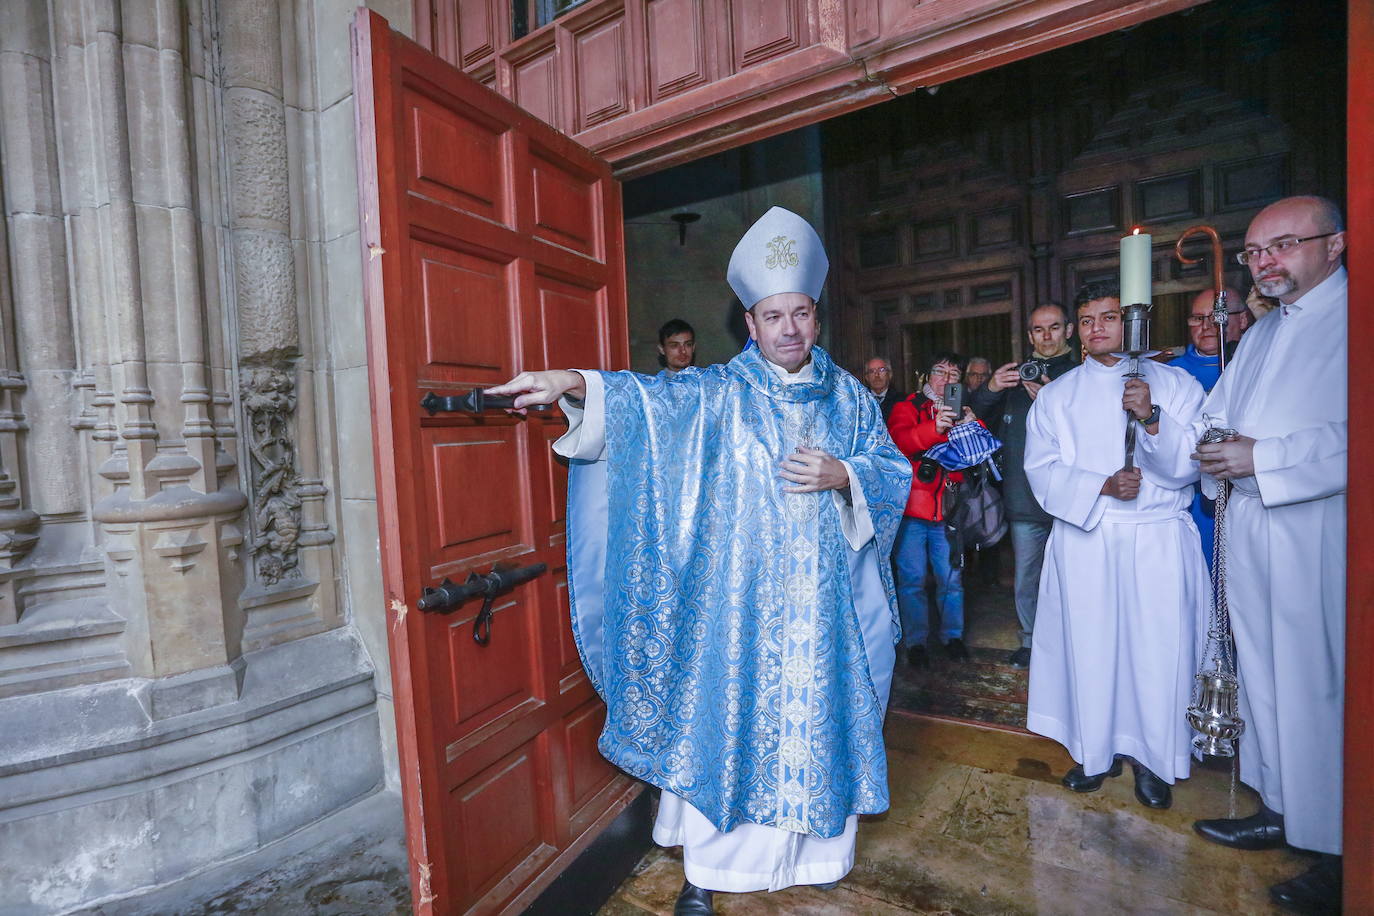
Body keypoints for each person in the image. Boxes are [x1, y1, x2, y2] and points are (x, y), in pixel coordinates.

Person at [487, 207, 910, 916]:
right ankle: (707, 875)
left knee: (816, 727)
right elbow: (649, 404)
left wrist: (848, 476)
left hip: (822, 618)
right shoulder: (718, 393)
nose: (789, 329)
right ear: (750, 322)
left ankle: (813, 856)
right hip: (737, 614)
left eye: (801, 313)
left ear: (815, 314)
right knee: (721, 729)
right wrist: (573, 381)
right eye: (773, 315)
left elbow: (890, 471)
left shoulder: (851, 400)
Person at [1189, 195, 1347, 913]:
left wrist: (1266, 456)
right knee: (1263, 676)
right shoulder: (1259, 333)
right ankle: (1281, 805)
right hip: (1249, 523)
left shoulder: (1354, 319)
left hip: (1314, 528)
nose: (1265, 264)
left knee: (1318, 683)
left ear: (1334, 244)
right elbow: (1217, 411)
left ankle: (1341, 845)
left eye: (1281, 246)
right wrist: (1209, 444)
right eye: (1255, 253)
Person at [1023, 281, 1207, 810]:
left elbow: (1193, 459)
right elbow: (1041, 468)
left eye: (1109, 317)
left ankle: (1155, 758)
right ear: (1078, 331)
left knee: (1156, 651)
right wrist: (1100, 485)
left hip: (1156, 539)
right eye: (1088, 320)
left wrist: (1151, 418)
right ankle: (1094, 750)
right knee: (1093, 646)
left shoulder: (1175, 385)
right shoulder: (1058, 395)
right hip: (1089, 539)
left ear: (1135, 323)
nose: (1098, 328)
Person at [971, 303, 1078, 668]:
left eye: (1053, 328)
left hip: (1070, 500)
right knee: (1027, 578)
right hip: (1023, 499)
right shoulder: (1017, 378)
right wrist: (990, 386)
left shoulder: (1082, 374)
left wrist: (1051, 401)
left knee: (1074, 577)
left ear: (1069, 330)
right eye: (1038, 330)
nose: (1046, 336)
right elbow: (972, 419)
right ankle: (1031, 641)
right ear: (1029, 335)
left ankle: (1074, 641)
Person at [887, 354, 976, 667]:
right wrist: (933, 427)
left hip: (949, 508)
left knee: (951, 578)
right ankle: (916, 643)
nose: (946, 379)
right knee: (912, 581)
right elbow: (900, 443)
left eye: (954, 373)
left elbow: (977, 455)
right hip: (912, 510)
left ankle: (953, 637)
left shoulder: (962, 409)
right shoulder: (907, 406)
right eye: (940, 371)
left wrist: (971, 425)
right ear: (926, 376)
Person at [1168, 288, 1250, 570]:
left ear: (1242, 320)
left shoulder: (1253, 365)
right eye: (1196, 318)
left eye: (1217, 317)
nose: (1206, 327)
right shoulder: (1170, 372)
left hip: (1248, 491)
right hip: (1193, 498)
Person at [862, 356, 905, 420]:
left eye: (881, 370)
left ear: (889, 374)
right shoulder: (861, 401)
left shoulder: (902, 401)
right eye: (872, 371)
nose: (876, 375)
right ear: (866, 377)